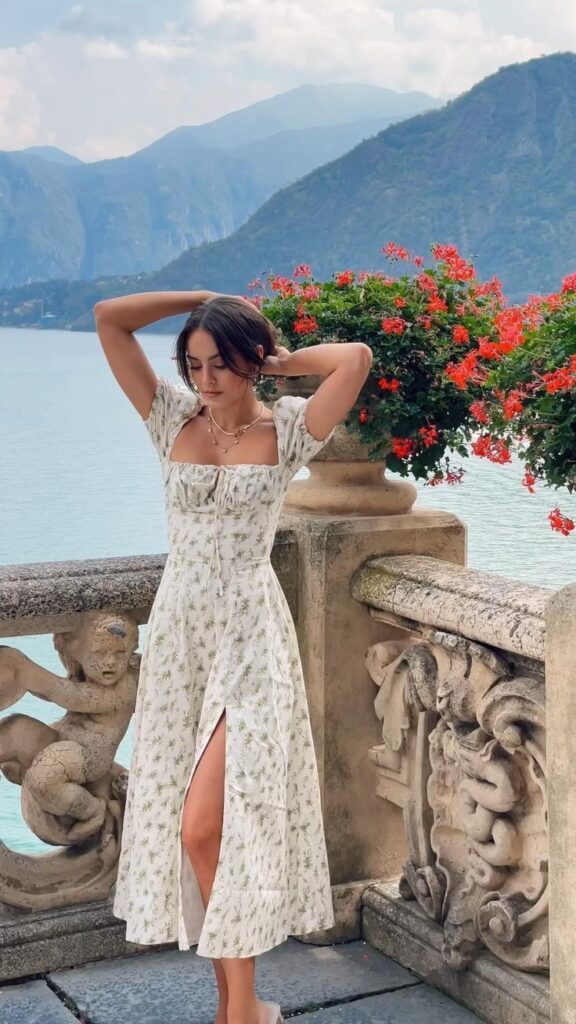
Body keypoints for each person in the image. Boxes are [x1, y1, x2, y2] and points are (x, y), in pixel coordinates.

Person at [93, 290, 372, 1024]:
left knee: (207, 824)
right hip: (184, 638)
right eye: (194, 364)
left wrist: (276, 360)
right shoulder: (169, 419)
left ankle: (244, 1008)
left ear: (248, 361)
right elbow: (109, 319)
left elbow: (355, 359)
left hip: (251, 640)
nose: (206, 378)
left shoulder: (288, 430)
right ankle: (237, 1007)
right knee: (196, 832)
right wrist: (203, 299)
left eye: (221, 363)